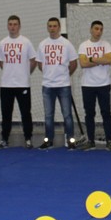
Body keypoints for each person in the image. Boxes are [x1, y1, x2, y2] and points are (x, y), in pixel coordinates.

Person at [0, 15, 38, 149]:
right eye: (10, 24)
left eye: (15, 24)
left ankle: (28, 139)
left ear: (19, 26)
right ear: (7, 26)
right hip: (6, 85)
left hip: (22, 84)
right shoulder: (2, 43)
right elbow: (1, 62)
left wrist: (25, 73)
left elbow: (33, 60)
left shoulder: (26, 42)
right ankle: (4, 139)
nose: (12, 27)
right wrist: (10, 72)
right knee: (6, 114)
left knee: (25, 113)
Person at [37, 17, 78, 149]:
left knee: (67, 115)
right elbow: (40, 64)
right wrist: (49, 74)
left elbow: (73, 63)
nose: (52, 28)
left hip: (63, 85)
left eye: (55, 26)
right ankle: (48, 140)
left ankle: (70, 140)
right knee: (48, 115)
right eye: (50, 26)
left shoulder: (66, 44)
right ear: (47, 28)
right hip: (47, 86)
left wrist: (64, 75)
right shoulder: (42, 44)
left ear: (59, 27)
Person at [77, 20, 111, 151]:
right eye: (96, 29)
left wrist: (92, 59)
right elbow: (83, 63)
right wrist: (100, 60)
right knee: (89, 114)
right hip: (88, 85)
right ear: (91, 30)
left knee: (106, 113)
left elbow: (109, 60)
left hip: (104, 84)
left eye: (101, 29)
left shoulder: (106, 45)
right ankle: (91, 141)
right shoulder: (83, 45)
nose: (98, 31)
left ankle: (109, 140)